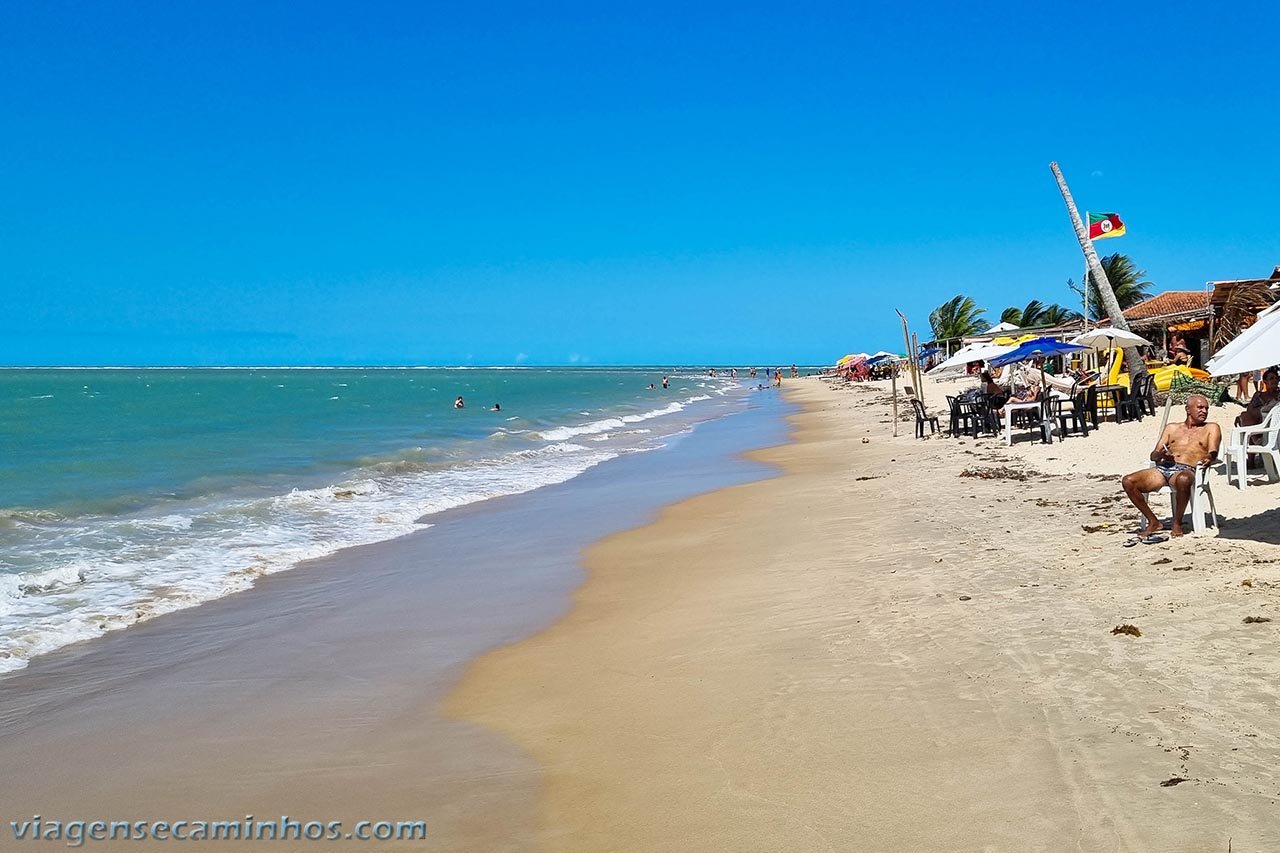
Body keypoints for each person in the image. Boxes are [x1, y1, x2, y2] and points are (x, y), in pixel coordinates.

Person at [1121, 394, 1221, 539]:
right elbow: (1153, 455)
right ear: (1188, 409)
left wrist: (1209, 458)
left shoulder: (1211, 427)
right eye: (1200, 407)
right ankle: (1153, 521)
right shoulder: (1172, 428)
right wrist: (1161, 455)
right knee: (1128, 481)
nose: (1204, 411)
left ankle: (1177, 523)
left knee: (1184, 479)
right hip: (1164, 468)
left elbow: (1213, 451)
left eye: (1206, 408)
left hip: (1188, 469)